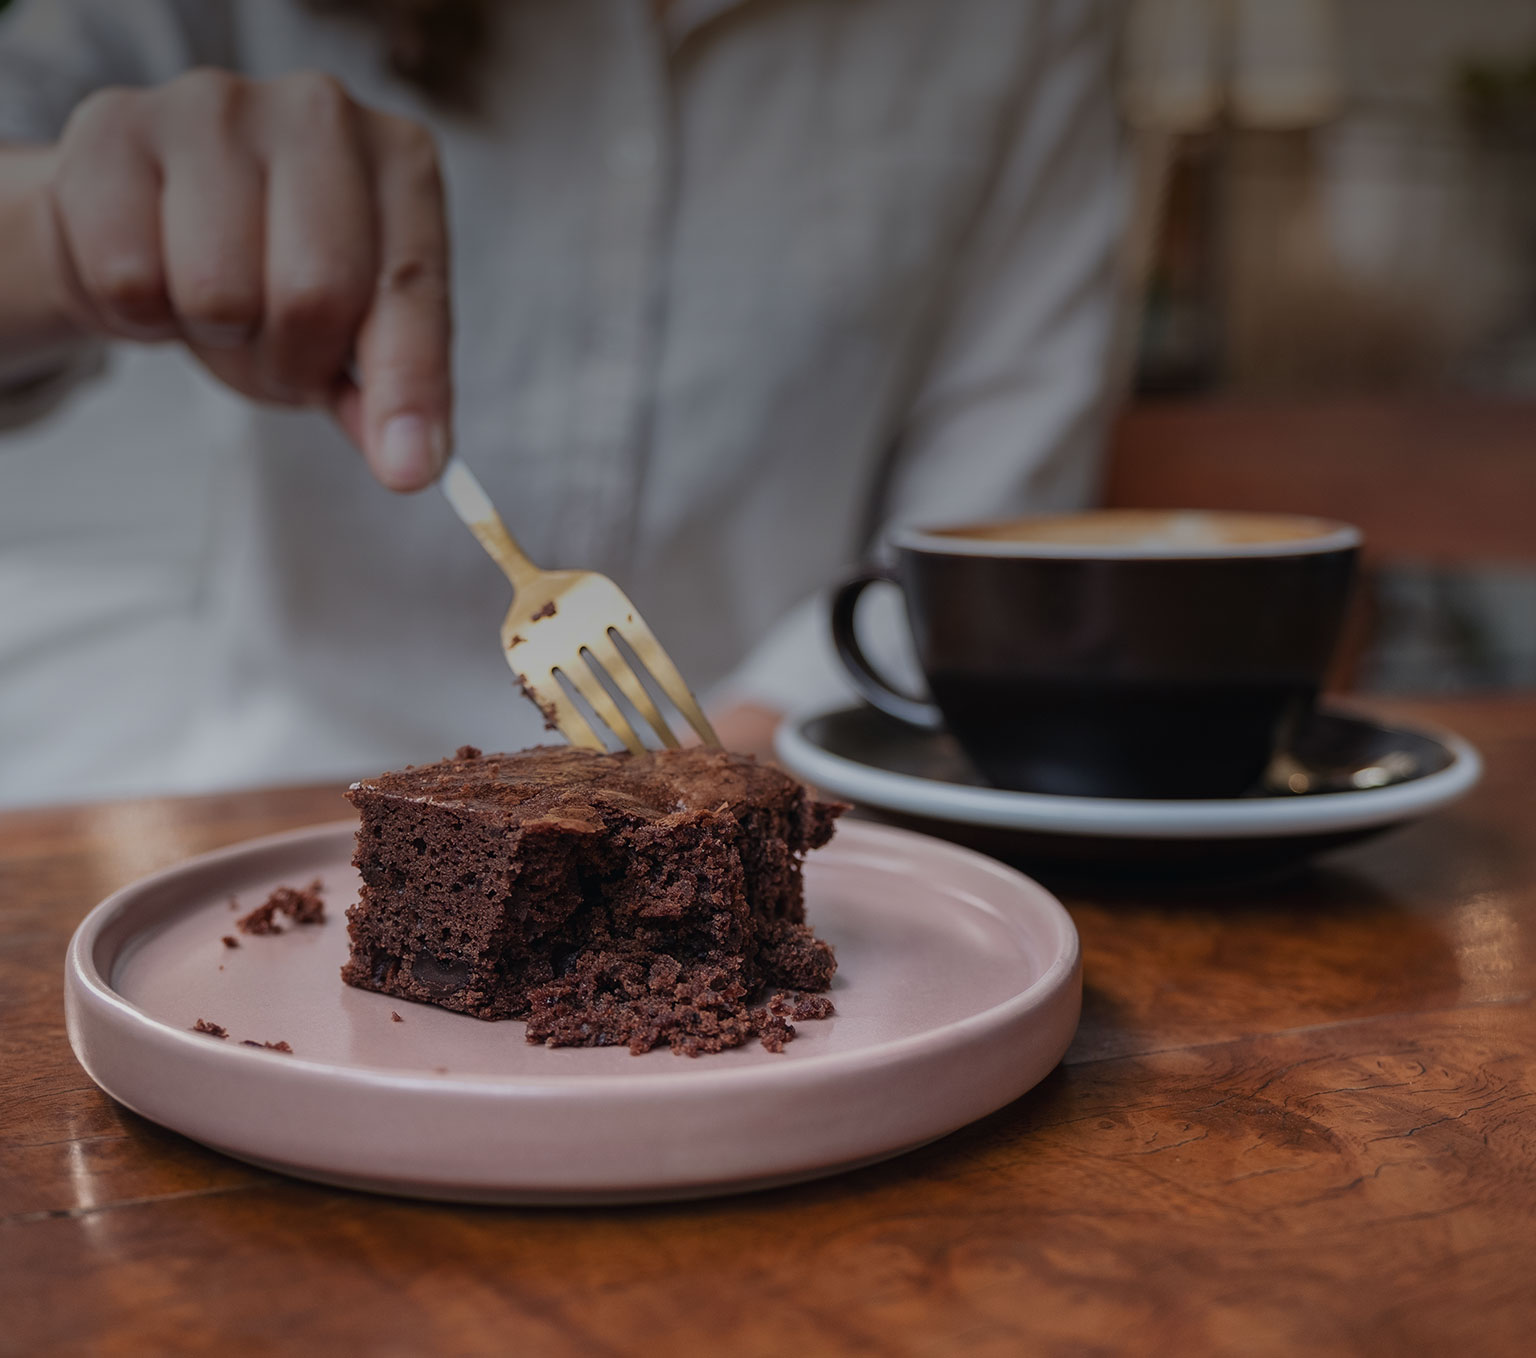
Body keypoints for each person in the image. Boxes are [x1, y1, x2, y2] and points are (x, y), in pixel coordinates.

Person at [0, 0, 1126, 807]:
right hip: (276, 805)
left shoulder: (1021, 29)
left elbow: (977, 543)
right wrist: (60, 228)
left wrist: (706, 789)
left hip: (769, 783)